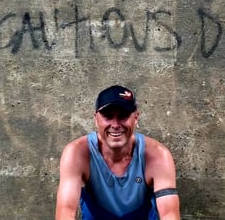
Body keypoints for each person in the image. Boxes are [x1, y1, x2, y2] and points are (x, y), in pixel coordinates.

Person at [55, 85, 180, 220]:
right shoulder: (77, 153)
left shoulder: (158, 156)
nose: (115, 124)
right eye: (108, 116)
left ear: (136, 118)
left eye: (123, 116)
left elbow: (169, 215)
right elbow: (66, 212)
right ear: (96, 119)